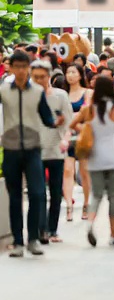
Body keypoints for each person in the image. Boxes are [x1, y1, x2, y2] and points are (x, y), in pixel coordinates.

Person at [4, 52, 64, 257]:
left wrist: (56, 122)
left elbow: (47, 117)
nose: (21, 70)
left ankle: (33, 239)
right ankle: (18, 242)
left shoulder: (37, 92)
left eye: (24, 66)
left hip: (32, 149)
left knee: (38, 193)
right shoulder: (3, 91)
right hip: (11, 149)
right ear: (10, 68)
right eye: (17, 66)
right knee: (15, 197)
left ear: (28, 68)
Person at [69, 76, 114, 247]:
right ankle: (112, 235)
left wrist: (86, 129)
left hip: (95, 155)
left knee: (96, 195)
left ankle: (90, 224)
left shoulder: (89, 110)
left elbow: (72, 124)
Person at [31, 60, 73, 244]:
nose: (39, 80)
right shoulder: (28, 96)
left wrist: (65, 139)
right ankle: (42, 230)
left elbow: (69, 122)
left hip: (56, 150)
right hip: (35, 151)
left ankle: (52, 229)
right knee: (39, 192)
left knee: (55, 192)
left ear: (49, 77)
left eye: (42, 77)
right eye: (35, 77)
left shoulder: (60, 96)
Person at [63, 63, 93, 221]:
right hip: (66, 136)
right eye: (68, 72)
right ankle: (69, 205)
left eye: (73, 72)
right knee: (67, 171)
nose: (70, 75)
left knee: (84, 172)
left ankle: (87, 204)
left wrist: (75, 122)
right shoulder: (63, 94)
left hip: (82, 136)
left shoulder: (88, 93)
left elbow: (89, 114)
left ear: (80, 75)